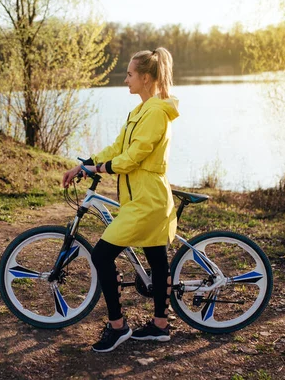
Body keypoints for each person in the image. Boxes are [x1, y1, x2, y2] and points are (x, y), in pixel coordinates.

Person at [62, 47, 180, 353]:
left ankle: (118, 326)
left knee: (101, 256)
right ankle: (160, 327)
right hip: (140, 199)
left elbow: (132, 158)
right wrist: (85, 163)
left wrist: (97, 170)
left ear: (144, 77)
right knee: (156, 259)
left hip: (147, 201)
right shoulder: (140, 111)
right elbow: (118, 147)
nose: (125, 79)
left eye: (129, 74)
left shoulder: (155, 112)